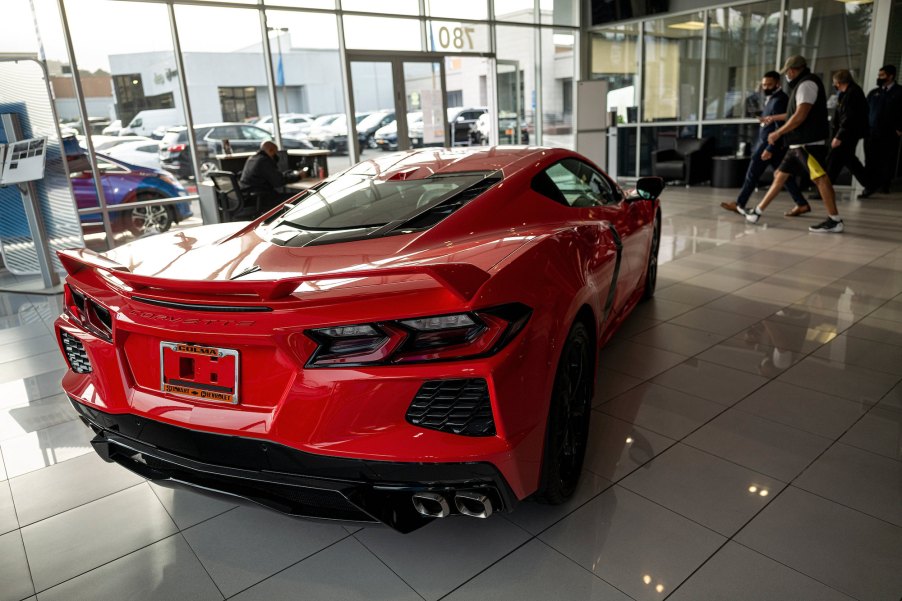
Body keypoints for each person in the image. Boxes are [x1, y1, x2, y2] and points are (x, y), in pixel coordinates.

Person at [744, 55, 844, 233]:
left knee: (820, 179)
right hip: (797, 144)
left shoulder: (806, 85)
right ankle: (757, 212)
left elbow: (800, 116)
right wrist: (773, 118)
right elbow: (793, 114)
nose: (787, 76)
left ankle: (834, 219)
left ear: (791, 71)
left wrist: (778, 132)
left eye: (787, 73)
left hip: (807, 143)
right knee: (780, 176)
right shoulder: (801, 85)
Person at [720, 71, 810, 216]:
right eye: (763, 84)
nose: (765, 87)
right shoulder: (773, 98)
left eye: (769, 84)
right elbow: (773, 120)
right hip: (771, 144)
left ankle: (740, 204)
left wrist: (769, 148)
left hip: (769, 144)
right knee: (783, 176)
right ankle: (802, 204)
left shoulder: (780, 99)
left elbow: (780, 126)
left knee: (752, 174)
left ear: (777, 84)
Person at [861, 65, 902, 197]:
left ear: (891, 76)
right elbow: (865, 111)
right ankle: (870, 185)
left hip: (889, 133)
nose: (879, 78)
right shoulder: (874, 93)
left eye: (882, 75)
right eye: (879, 75)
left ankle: (884, 185)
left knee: (887, 160)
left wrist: (899, 129)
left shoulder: (899, 92)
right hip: (872, 132)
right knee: (870, 159)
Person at [239, 141, 300, 213]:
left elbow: (273, 176)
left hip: (250, 197)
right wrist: (298, 176)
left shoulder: (252, 158)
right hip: (262, 199)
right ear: (271, 150)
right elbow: (279, 182)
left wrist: (287, 174)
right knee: (299, 197)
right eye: (276, 152)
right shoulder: (264, 161)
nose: (276, 155)